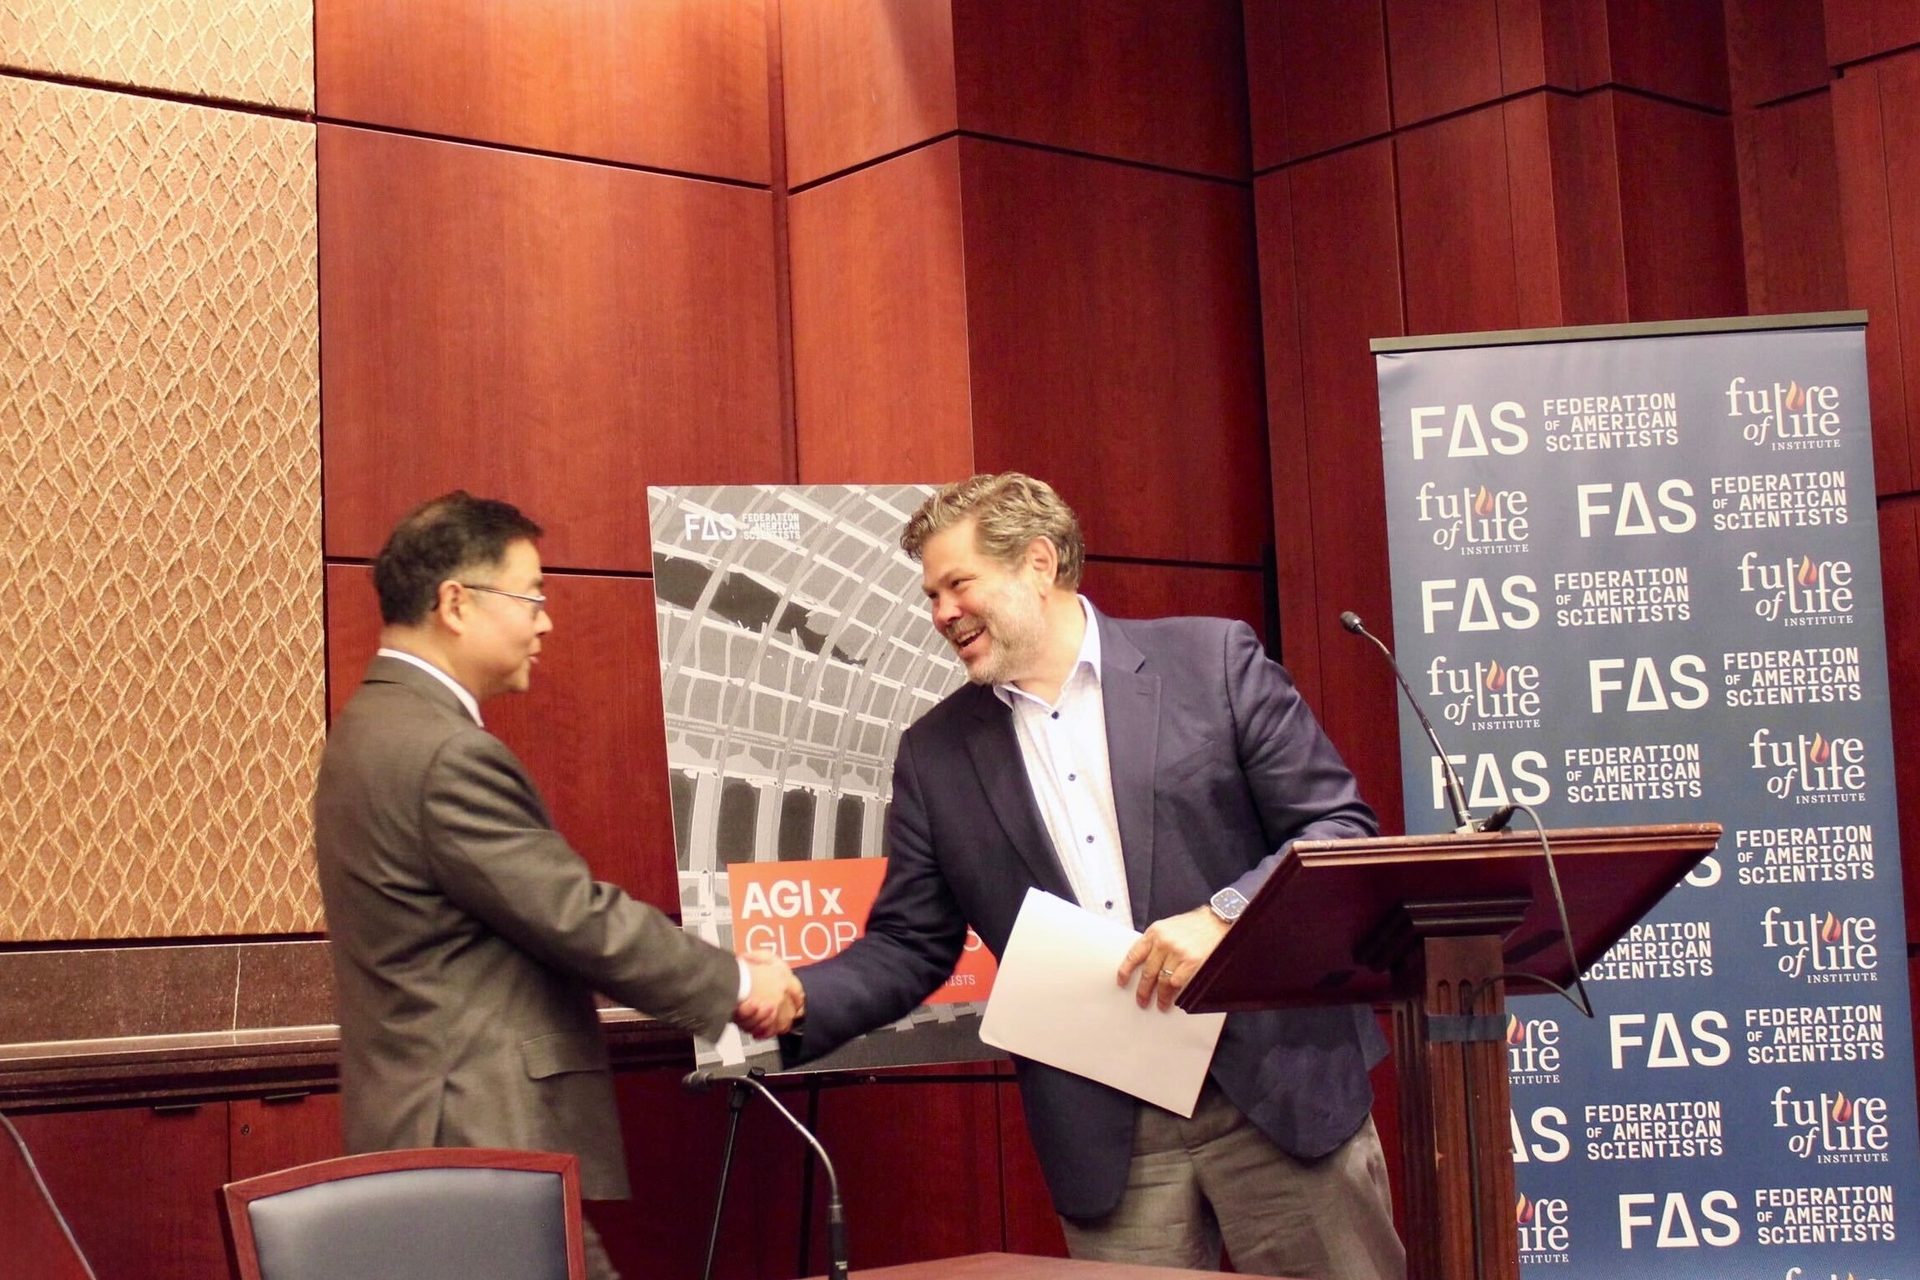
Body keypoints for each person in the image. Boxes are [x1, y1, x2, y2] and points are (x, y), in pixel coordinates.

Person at [784, 473, 1404, 1279]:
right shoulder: (934, 755)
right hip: (1110, 1133)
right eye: (931, 594)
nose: (940, 613)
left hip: (1277, 1090)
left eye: (957, 584)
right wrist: (797, 998)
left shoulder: (1213, 661)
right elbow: (910, 942)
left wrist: (1224, 915)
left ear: (1038, 563)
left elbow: (1337, 830)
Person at [314, 491, 799, 1280]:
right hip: (475, 1140)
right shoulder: (445, 755)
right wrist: (739, 980)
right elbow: (577, 916)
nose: (546, 622)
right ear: (456, 603)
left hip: (430, 1132)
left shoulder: (369, 731)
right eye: (532, 597)